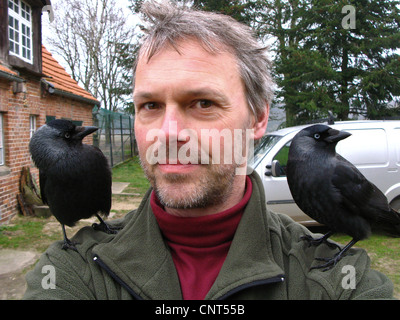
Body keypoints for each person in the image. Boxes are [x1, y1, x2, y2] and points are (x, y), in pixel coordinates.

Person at [24, 1, 394, 300]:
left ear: (259, 118)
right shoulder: (71, 271)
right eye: (150, 106)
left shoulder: (341, 282)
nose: (168, 134)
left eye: (202, 103)